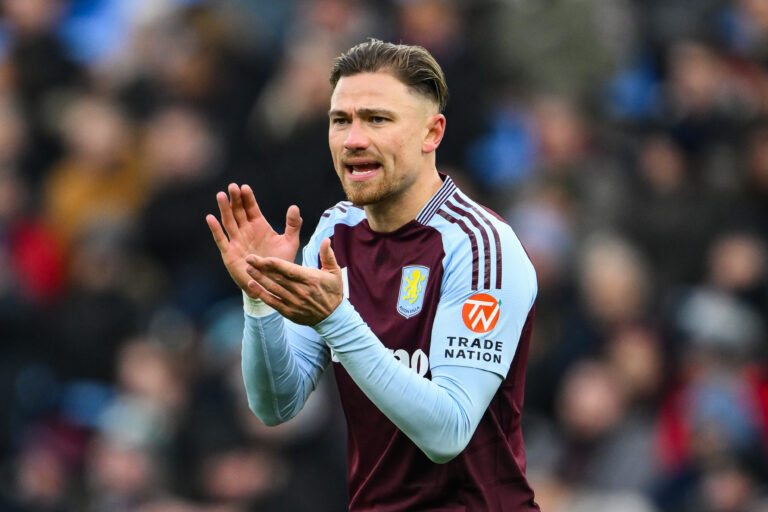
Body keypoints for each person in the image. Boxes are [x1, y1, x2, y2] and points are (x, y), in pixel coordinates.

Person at [206, 39, 540, 511]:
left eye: (377, 120)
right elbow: (275, 405)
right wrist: (260, 296)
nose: (353, 139)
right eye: (340, 120)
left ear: (431, 133)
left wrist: (337, 319)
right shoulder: (335, 232)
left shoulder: (480, 245)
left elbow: (449, 431)